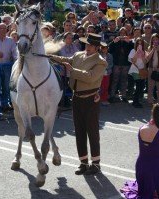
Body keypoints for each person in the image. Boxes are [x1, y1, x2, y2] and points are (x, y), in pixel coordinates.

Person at [50, 33, 107, 175]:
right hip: (77, 98)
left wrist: (72, 70)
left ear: (97, 48)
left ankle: (96, 163)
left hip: (90, 99)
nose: (87, 47)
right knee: (79, 131)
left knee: (92, 131)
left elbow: (91, 77)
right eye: (87, 44)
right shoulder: (78, 55)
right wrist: (50, 57)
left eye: (91, 45)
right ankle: (83, 162)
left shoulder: (100, 62)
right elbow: (66, 59)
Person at [145, 33, 159, 106]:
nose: (155, 41)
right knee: (150, 85)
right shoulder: (149, 47)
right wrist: (153, 49)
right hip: (151, 68)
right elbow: (147, 59)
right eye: (154, 40)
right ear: (152, 41)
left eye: (156, 39)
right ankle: (150, 101)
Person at [128, 37, 147, 108]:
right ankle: (135, 101)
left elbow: (145, 61)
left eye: (141, 43)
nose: (139, 45)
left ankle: (136, 100)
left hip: (142, 70)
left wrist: (142, 54)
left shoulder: (144, 51)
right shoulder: (133, 50)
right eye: (138, 43)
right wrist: (137, 52)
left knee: (141, 86)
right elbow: (132, 60)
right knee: (138, 85)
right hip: (135, 70)